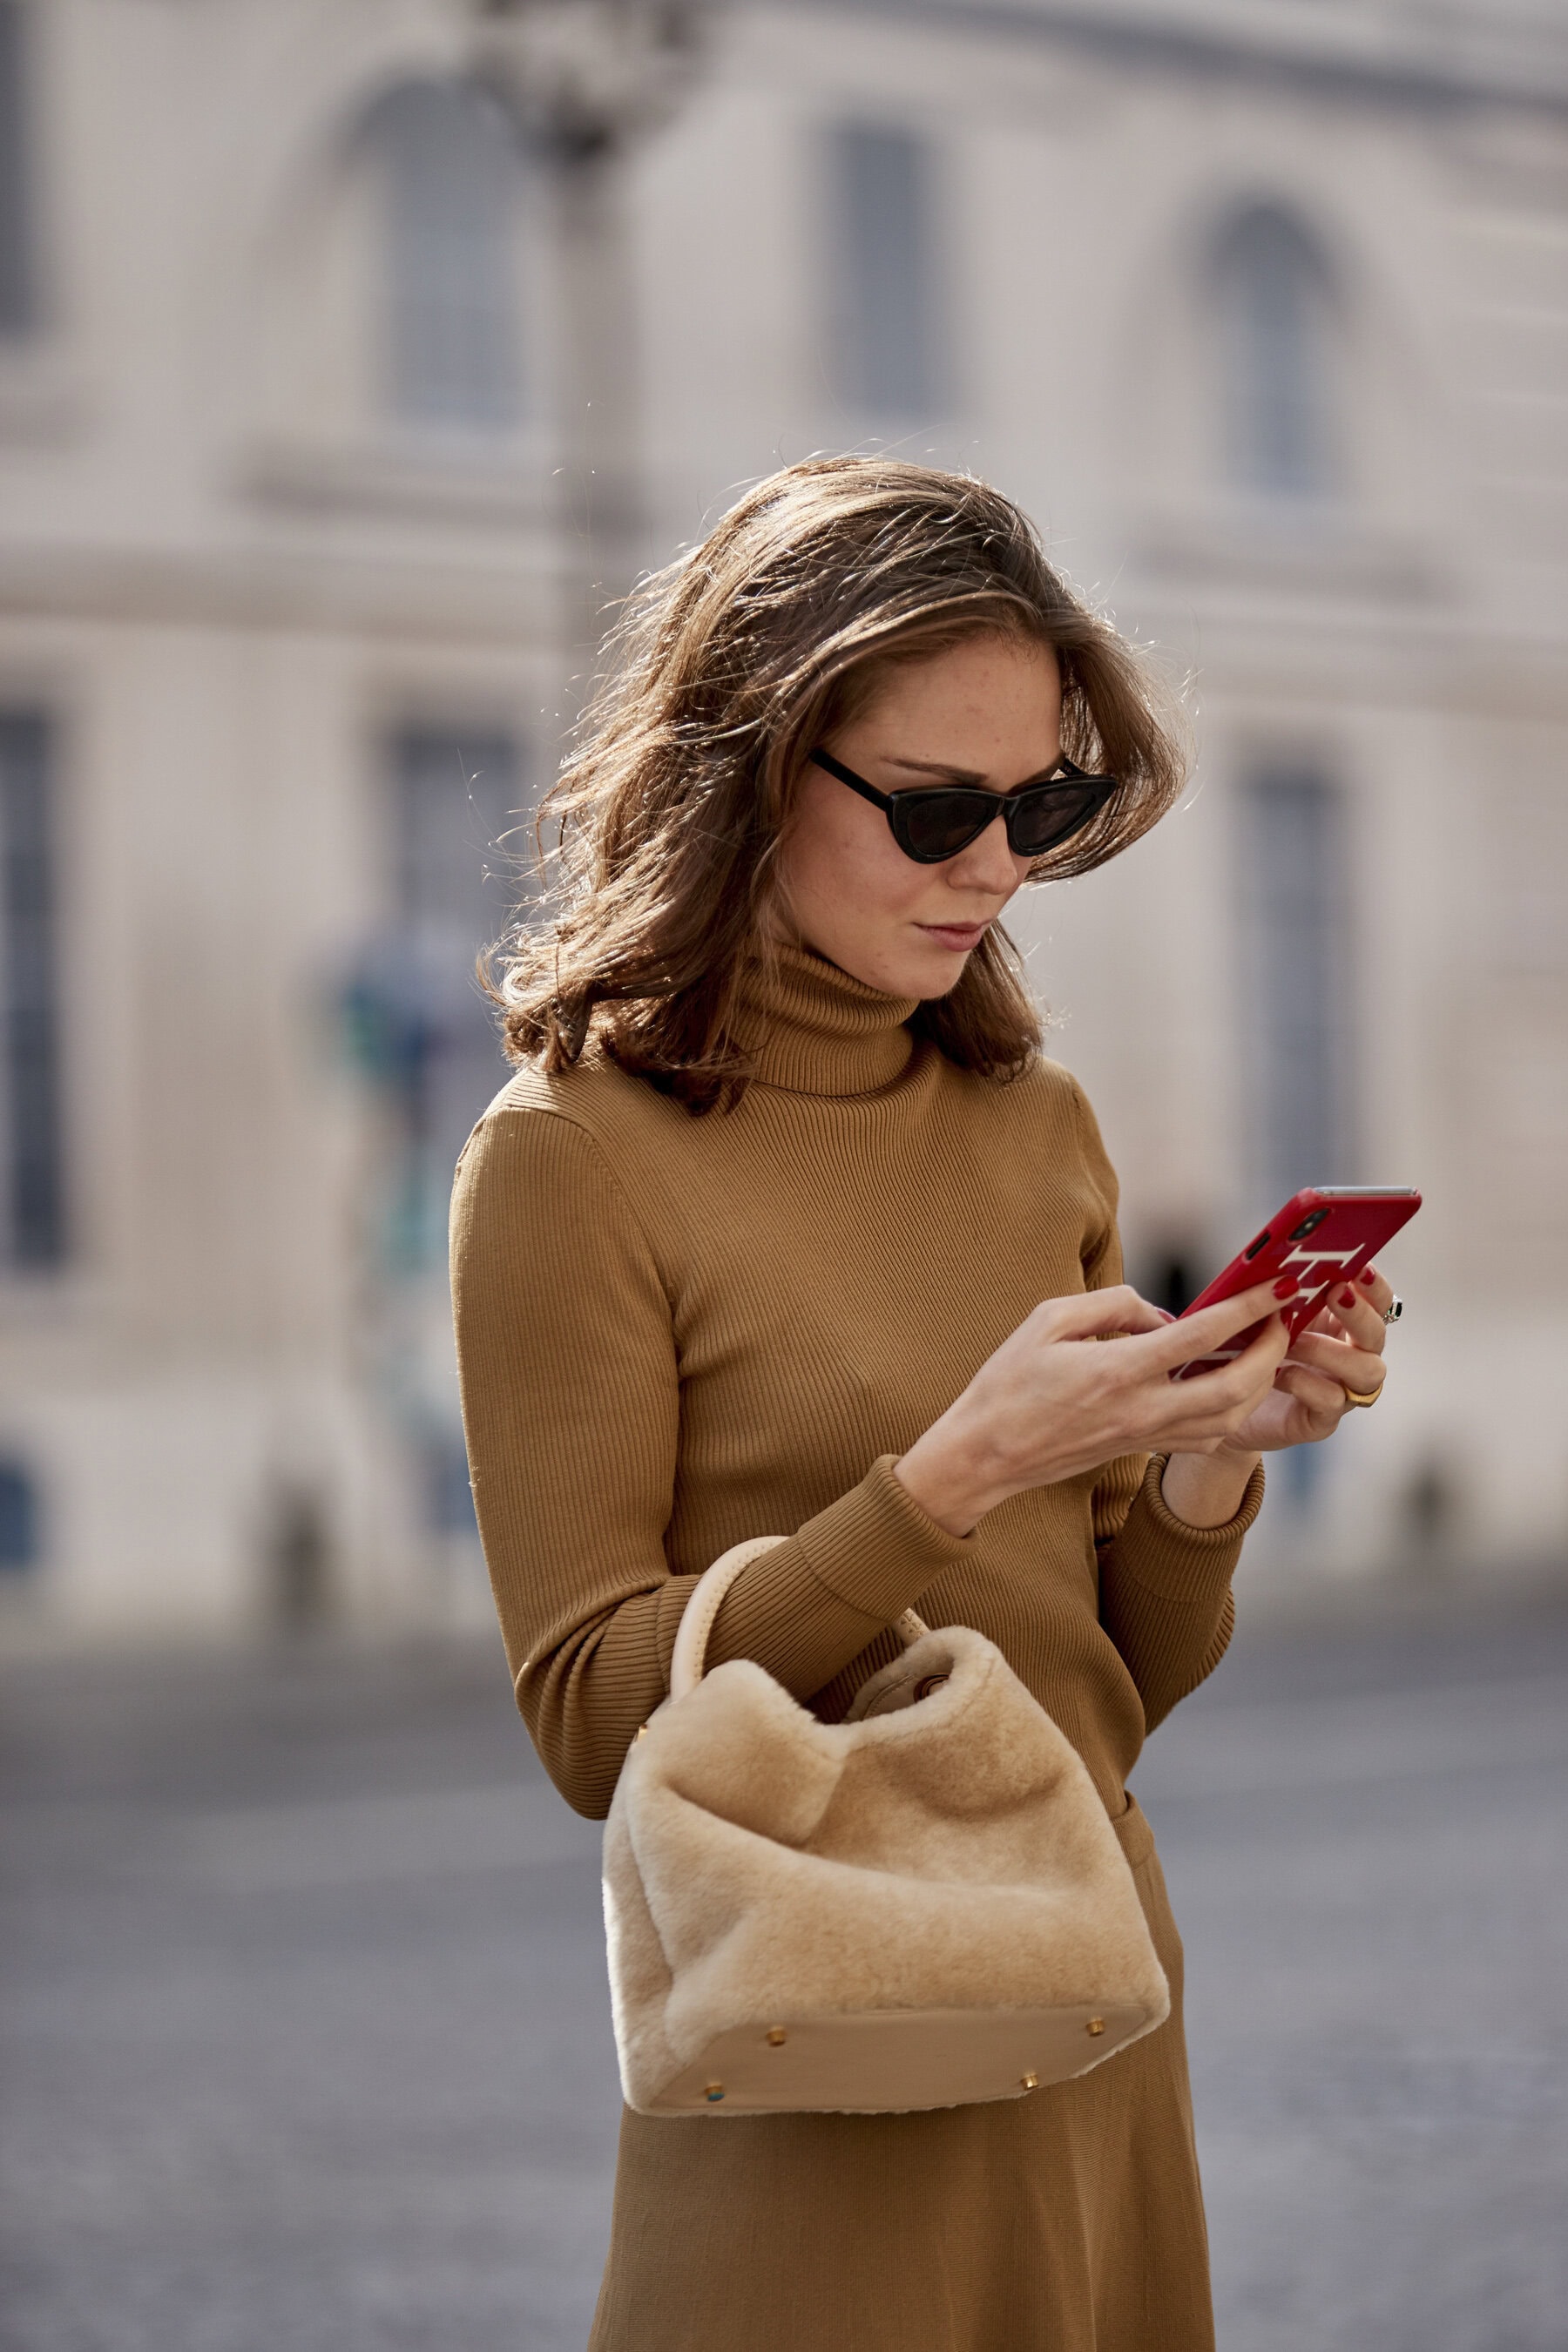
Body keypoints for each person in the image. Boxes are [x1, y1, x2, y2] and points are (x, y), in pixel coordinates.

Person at [449, 457, 1396, 2352]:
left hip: (1095, 2000)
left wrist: (1209, 1461)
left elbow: (1104, 1678)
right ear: (750, 775)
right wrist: (958, 1471)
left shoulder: (1032, 1125)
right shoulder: (571, 1160)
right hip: (824, 2049)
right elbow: (587, 1721)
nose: (997, 867)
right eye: (940, 809)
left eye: (1039, 804)